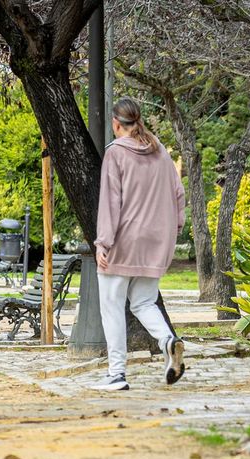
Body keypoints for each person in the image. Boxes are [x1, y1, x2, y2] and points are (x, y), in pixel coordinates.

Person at [94, 97, 185, 391]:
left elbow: (111, 201)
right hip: (156, 241)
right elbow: (178, 193)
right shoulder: (161, 152)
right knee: (144, 301)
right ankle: (167, 341)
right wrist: (174, 229)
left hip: (124, 240)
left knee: (112, 305)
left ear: (116, 123)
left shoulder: (115, 153)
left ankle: (117, 374)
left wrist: (103, 242)